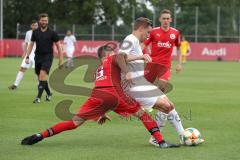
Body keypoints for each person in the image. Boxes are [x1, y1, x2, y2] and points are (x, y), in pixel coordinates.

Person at [21, 45, 179, 148]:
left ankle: (40, 135)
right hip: (114, 93)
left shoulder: (98, 70)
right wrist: (141, 56)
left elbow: (101, 89)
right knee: (141, 114)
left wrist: (101, 111)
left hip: (97, 95)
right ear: (107, 55)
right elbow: (122, 58)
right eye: (112, 52)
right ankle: (161, 141)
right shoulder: (111, 59)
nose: (115, 53)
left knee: (74, 122)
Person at [119, 17, 185, 147]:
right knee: (165, 106)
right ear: (141, 28)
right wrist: (134, 64)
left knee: (169, 104)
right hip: (133, 87)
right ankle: (157, 138)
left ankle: (183, 135)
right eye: (148, 32)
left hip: (141, 83)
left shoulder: (135, 42)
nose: (148, 35)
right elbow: (120, 57)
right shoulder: (129, 39)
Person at [25, 13, 64, 103]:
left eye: (46, 20)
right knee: (40, 78)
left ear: (48, 21)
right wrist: (27, 56)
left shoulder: (52, 33)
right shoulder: (35, 32)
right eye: (42, 20)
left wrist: (61, 60)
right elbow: (31, 45)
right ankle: (49, 93)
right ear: (39, 21)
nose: (44, 22)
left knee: (42, 75)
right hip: (37, 56)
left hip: (48, 56)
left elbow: (59, 46)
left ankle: (38, 97)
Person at [143, 9, 182, 92]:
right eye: (164, 18)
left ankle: (156, 102)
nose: (166, 21)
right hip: (153, 65)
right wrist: (140, 56)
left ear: (171, 20)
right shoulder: (153, 32)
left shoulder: (175, 33)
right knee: (149, 89)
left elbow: (179, 48)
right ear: (160, 19)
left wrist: (179, 63)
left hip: (166, 66)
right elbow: (143, 44)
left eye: (168, 19)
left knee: (162, 87)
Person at [8, 20, 38, 90]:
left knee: (38, 72)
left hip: (37, 55)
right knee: (22, 69)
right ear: (31, 26)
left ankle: (41, 86)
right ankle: (15, 85)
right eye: (34, 25)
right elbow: (26, 43)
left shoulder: (40, 33)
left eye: (36, 25)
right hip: (28, 55)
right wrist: (24, 53)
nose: (35, 26)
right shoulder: (28, 33)